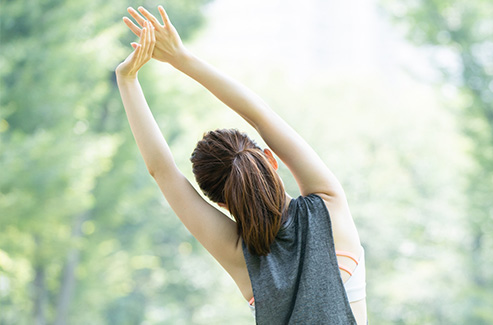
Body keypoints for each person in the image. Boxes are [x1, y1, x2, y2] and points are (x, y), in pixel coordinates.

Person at [115, 6, 366, 324]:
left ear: (221, 202)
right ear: (272, 159)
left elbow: (162, 171)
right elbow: (261, 116)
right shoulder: (328, 206)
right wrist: (182, 59)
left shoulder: (239, 255)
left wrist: (127, 80)